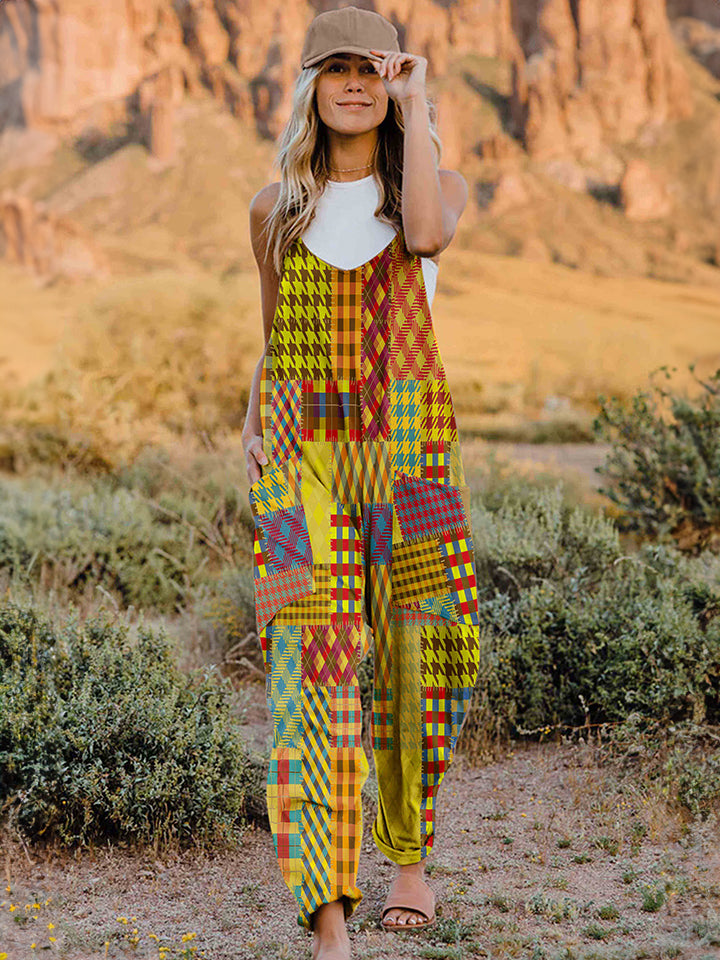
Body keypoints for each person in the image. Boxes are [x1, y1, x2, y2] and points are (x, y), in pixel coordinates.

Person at [242, 6, 480, 958]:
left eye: (369, 69)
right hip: (303, 451)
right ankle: (328, 911)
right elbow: (269, 342)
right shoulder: (275, 207)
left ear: (393, 80)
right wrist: (249, 427)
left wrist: (417, 106)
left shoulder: (433, 185)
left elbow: (424, 238)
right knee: (311, 660)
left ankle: (409, 857)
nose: (352, 83)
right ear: (308, 86)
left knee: (425, 650)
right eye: (332, 68)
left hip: (413, 444)